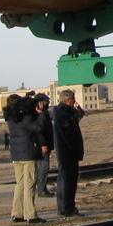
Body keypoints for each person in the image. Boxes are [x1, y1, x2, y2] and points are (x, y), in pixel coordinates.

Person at [5, 94, 43, 223]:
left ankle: (17, 213)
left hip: (16, 154)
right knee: (30, 183)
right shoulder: (25, 117)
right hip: (27, 153)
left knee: (19, 184)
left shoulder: (10, 118)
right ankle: (30, 214)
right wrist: (40, 114)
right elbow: (37, 128)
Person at [52, 89, 84, 217]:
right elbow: (66, 135)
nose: (75, 101)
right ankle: (66, 207)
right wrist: (72, 147)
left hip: (70, 152)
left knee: (69, 180)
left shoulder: (67, 112)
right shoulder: (62, 114)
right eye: (73, 99)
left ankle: (67, 206)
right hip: (67, 153)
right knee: (67, 181)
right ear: (67, 100)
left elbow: (79, 117)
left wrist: (78, 111)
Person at [33, 94, 54, 197]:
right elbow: (39, 131)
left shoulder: (43, 113)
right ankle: (41, 190)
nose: (48, 103)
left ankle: (42, 188)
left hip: (45, 144)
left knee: (43, 167)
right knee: (43, 167)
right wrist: (43, 144)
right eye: (46, 102)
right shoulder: (39, 115)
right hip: (42, 145)